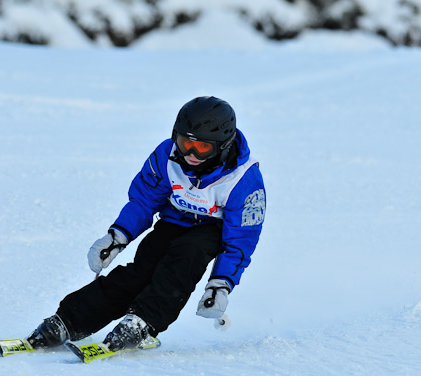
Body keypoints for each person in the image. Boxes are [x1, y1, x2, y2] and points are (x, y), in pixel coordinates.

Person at [26, 96, 266, 351]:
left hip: (211, 230)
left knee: (182, 262)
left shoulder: (244, 180)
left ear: (223, 145)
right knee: (141, 270)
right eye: (186, 143)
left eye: (203, 148)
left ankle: (143, 322)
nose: (191, 154)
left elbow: (241, 240)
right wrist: (118, 236)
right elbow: (143, 201)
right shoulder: (167, 155)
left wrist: (221, 283)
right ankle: (69, 320)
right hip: (174, 221)